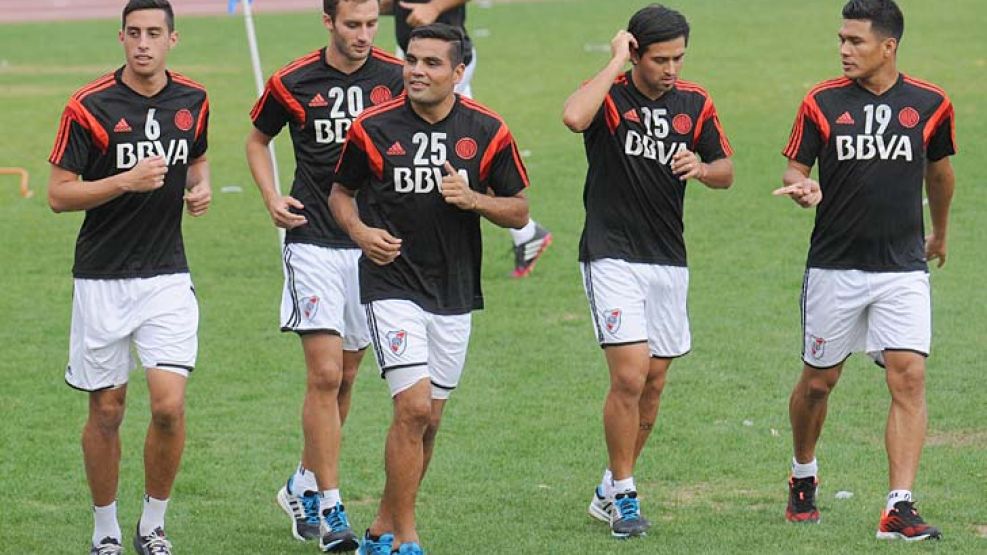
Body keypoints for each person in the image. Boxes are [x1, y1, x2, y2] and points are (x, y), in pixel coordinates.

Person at [329, 23, 530, 555]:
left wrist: (475, 201)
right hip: (390, 282)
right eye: (411, 60)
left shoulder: (487, 130)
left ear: (458, 73)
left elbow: (519, 210)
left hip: (453, 289)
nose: (416, 70)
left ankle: (380, 527)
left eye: (431, 63)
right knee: (413, 408)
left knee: (430, 419)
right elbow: (340, 194)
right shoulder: (372, 127)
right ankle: (406, 537)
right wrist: (359, 233)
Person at [774, 0, 954, 541]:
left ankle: (898, 506)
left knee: (909, 376)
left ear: (888, 46)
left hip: (902, 267)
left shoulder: (930, 104)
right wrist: (803, 187)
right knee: (819, 383)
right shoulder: (822, 102)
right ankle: (803, 471)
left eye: (855, 41)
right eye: (841, 40)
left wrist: (940, 233)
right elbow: (795, 166)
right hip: (835, 266)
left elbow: (940, 175)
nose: (844, 50)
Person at [562, 4, 734, 538]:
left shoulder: (695, 103)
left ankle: (609, 488)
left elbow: (726, 170)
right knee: (631, 375)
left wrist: (701, 169)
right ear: (636, 51)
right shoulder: (610, 97)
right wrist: (615, 61)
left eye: (679, 57)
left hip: (668, 258)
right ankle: (627, 496)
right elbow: (573, 116)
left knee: (655, 383)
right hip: (611, 254)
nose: (671, 69)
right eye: (660, 58)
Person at [47, 1, 210, 554]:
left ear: (173, 39)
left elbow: (198, 153)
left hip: (166, 274)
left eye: (154, 33)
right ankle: (105, 531)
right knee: (108, 408)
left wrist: (199, 186)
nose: (144, 43)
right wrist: (125, 181)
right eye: (134, 33)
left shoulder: (194, 100)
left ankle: (153, 525)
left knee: (168, 405)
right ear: (121, 38)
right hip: (101, 277)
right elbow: (58, 194)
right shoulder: (88, 106)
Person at [245, 0, 403, 551]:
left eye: (370, 24)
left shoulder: (396, 77)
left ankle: (301, 483)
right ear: (328, 22)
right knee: (324, 375)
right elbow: (257, 139)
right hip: (311, 240)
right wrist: (270, 197)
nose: (362, 35)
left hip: (368, 243)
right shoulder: (293, 81)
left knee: (349, 377)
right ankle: (331, 508)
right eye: (352, 24)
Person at [380, 0, 552, 278]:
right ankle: (527, 233)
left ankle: (525, 230)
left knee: (452, 155)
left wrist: (434, 8)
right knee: (450, 155)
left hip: (443, 60)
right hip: (416, 54)